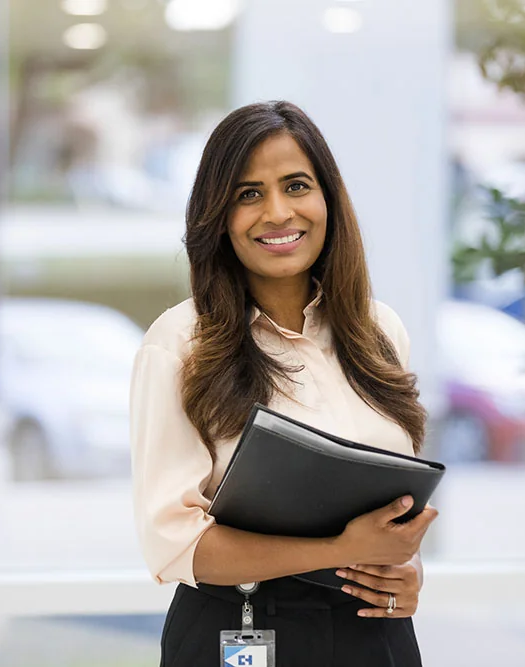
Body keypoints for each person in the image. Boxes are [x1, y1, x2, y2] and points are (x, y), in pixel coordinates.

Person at [130, 100, 439, 667]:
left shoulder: (379, 329)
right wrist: (342, 549)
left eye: (296, 185)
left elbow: (392, 504)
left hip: (374, 633)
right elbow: (176, 545)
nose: (277, 212)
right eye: (248, 194)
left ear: (327, 200)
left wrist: (405, 571)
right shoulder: (179, 343)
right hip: (242, 629)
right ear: (217, 217)